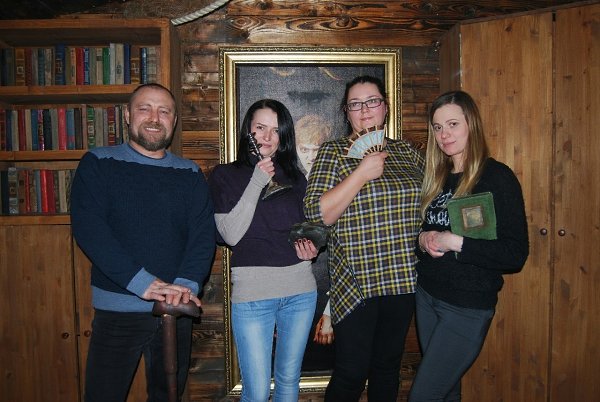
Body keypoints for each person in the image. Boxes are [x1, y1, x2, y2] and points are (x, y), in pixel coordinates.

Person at [70, 83, 216, 402]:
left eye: (164, 111)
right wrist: (143, 284)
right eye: (144, 108)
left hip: (175, 308)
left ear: (173, 120)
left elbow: (203, 235)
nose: (154, 118)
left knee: (168, 396)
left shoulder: (190, 173)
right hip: (117, 311)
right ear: (127, 115)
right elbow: (90, 229)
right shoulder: (98, 162)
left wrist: (185, 287)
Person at [304, 75, 425, 401]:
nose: (365, 109)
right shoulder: (333, 152)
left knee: (387, 368)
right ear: (347, 112)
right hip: (357, 282)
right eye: (355, 104)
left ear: (385, 107)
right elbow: (316, 213)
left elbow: (433, 200)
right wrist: (360, 173)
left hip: (403, 279)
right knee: (352, 372)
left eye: (372, 101)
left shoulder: (406, 152)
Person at [408, 90, 529, 401]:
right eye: (437, 127)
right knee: (446, 392)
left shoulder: (496, 177)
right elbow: (424, 231)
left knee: (423, 395)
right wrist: (423, 239)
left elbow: (515, 254)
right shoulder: (436, 177)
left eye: (453, 124)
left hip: (466, 306)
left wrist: (455, 242)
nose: (444, 135)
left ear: (471, 124)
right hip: (428, 296)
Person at [208, 99, 318, 402]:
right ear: (248, 130)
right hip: (253, 296)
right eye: (260, 127)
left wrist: (310, 247)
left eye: (276, 130)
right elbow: (230, 235)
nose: (268, 136)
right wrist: (257, 180)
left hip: (300, 291)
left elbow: (304, 230)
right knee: (256, 392)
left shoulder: (295, 177)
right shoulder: (224, 175)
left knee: (288, 381)